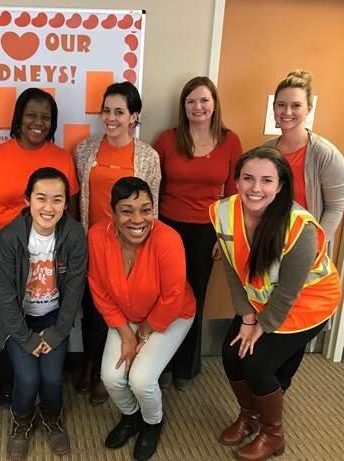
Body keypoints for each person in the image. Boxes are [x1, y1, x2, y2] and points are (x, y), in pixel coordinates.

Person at [210, 146, 341, 460]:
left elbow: (289, 292)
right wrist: (246, 318)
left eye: (266, 180)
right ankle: (249, 416)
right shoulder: (223, 212)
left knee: (257, 362)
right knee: (230, 353)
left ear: (281, 185)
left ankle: (273, 435)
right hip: (261, 300)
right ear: (237, 181)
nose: (256, 188)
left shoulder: (300, 227)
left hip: (309, 303)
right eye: (248, 178)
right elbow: (231, 266)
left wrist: (263, 326)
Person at [0, 88, 80, 408]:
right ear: (19, 118)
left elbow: (71, 210)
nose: (38, 122)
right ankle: (7, 381)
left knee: (49, 311)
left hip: (49, 252)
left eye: (46, 117)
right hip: (7, 252)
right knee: (8, 315)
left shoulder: (61, 157)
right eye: (31, 115)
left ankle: (47, 376)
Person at [88, 177, 195, 461]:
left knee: (142, 380)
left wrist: (142, 337)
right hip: (125, 316)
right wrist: (126, 335)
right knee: (111, 377)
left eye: (146, 209)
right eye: (127, 210)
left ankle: (152, 423)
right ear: (112, 212)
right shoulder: (97, 236)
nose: (138, 219)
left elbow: (172, 298)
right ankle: (131, 416)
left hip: (170, 316)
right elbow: (98, 288)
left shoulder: (168, 239)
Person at [73, 81, 161, 405]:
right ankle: (88, 364)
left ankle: (106, 373)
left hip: (128, 248)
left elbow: (153, 208)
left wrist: (143, 249)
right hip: (92, 244)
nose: (111, 118)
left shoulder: (148, 156)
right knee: (90, 309)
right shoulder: (85, 150)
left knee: (119, 310)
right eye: (106, 110)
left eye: (119, 112)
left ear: (134, 116)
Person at [154, 76, 243, 391]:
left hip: (207, 230)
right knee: (165, 297)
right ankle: (159, 363)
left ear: (214, 103)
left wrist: (224, 235)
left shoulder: (230, 141)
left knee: (196, 298)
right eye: (191, 101)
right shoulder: (167, 139)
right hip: (167, 227)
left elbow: (233, 194)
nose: (198, 106)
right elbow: (154, 187)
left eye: (204, 100)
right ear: (183, 106)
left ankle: (186, 368)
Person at [0, 168, 87, 460]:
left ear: (65, 204)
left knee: (53, 378)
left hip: (53, 318)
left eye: (57, 200)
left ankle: (52, 418)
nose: (49, 207)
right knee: (29, 378)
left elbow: (74, 288)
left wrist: (58, 331)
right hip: (18, 320)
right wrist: (27, 339)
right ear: (27, 200)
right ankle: (20, 422)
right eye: (41, 198)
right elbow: (4, 299)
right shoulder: (8, 238)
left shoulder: (73, 233)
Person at [263, 70, 344, 390]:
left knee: (296, 317)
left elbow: (336, 206)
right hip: (272, 246)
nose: (287, 112)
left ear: (308, 108)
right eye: (281, 105)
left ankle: (279, 385)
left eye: (295, 105)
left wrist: (314, 247)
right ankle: (266, 381)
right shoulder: (269, 151)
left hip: (305, 251)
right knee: (272, 310)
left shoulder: (325, 154)